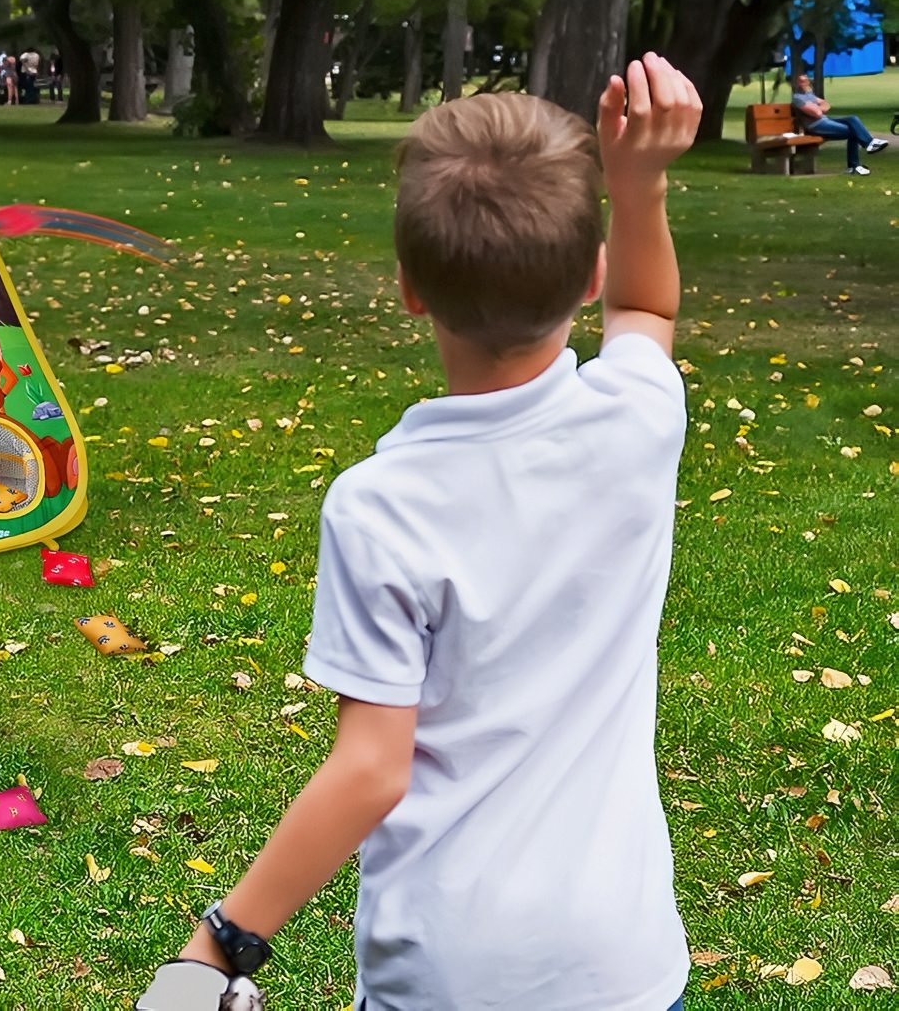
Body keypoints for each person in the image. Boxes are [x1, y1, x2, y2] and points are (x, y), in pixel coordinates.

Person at [136, 54, 703, 1011]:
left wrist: (220, 945)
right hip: (622, 964)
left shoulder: (381, 505)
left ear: (408, 289)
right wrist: (639, 181)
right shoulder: (637, 424)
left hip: (451, 970)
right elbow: (647, 308)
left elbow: (371, 768)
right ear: (590, 273)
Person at [789, 73, 887, 175]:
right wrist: (818, 108)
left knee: (852, 119)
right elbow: (817, 114)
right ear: (795, 84)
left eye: (805, 81)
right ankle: (855, 164)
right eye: (801, 81)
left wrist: (817, 108)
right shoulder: (797, 99)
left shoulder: (808, 95)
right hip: (815, 126)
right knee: (853, 131)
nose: (804, 83)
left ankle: (868, 145)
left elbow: (826, 104)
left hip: (825, 120)